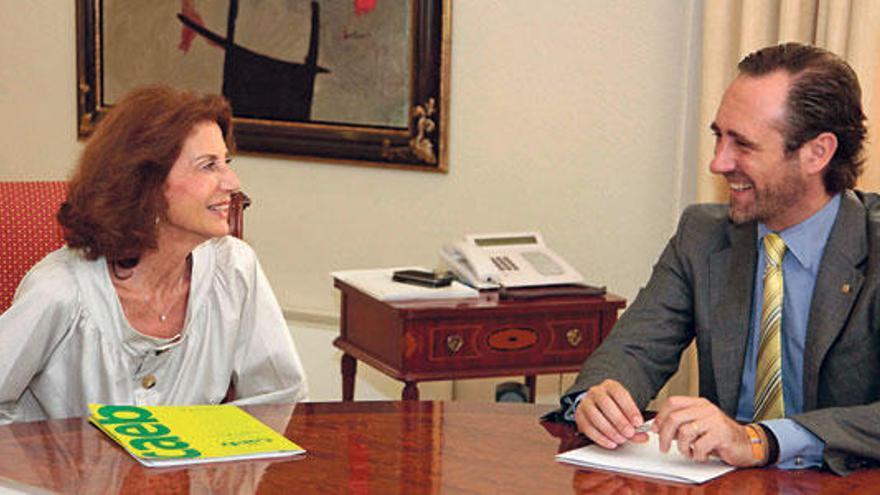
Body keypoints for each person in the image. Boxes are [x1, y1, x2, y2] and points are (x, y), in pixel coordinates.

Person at [562, 42, 880, 475]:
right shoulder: (703, 235)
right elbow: (636, 347)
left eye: (742, 144)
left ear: (817, 152)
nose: (717, 162)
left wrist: (760, 439)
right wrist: (599, 398)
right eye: (718, 136)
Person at [0, 86, 307, 424]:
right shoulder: (60, 291)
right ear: (145, 183)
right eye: (208, 166)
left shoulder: (234, 269)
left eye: (226, 163)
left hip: (194, 475)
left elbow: (277, 399)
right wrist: (52, 468)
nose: (232, 182)